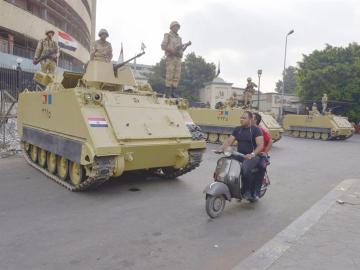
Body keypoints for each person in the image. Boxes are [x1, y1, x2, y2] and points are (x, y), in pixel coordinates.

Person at [218, 111, 264, 201]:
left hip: (253, 157)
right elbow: (229, 141)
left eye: (244, 118)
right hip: (240, 155)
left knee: (245, 169)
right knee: (225, 163)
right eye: (241, 118)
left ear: (250, 119)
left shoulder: (256, 130)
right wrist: (221, 148)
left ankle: (247, 191)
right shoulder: (237, 129)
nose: (241, 119)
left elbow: (260, 145)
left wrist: (252, 154)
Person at [161, 21, 190, 98]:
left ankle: (173, 92)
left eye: (178, 27)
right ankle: (168, 93)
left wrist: (186, 46)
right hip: (171, 57)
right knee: (170, 74)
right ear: (172, 27)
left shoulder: (179, 38)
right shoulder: (168, 35)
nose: (177, 28)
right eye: (175, 26)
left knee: (177, 76)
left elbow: (180, 50)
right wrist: (171, 50)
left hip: (178, 58)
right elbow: (163, 46)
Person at [252, 112, 272, 197]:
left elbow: (270, 141)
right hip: (250, 154)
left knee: (261, 167)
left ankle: (256, 191)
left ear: (255, 120)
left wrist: (265, 152)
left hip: (259, 155)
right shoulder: (247, 128)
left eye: (251, 117)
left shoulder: (261, 130)